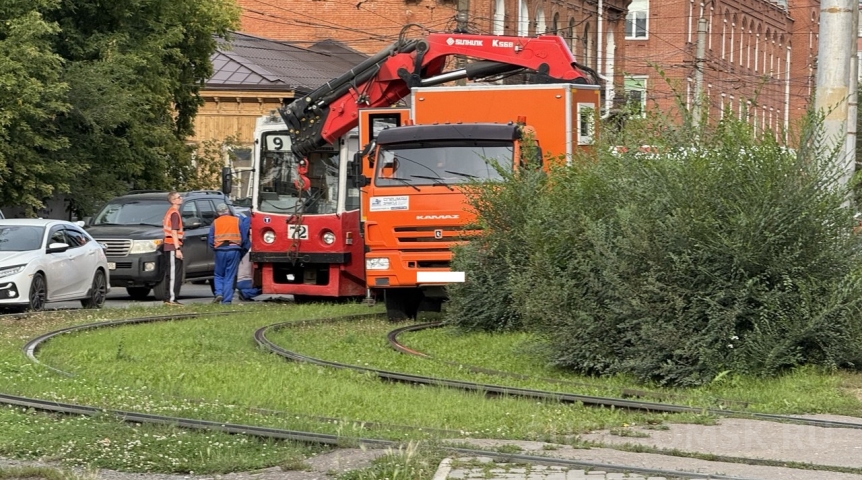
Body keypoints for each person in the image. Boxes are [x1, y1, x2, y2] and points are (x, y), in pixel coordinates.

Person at [208, 203, 249, 304]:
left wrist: (216, 249)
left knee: (218, 274)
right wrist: (241, 252)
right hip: (234, 250)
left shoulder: (215, 223)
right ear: (228, 210)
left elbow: (210, 240)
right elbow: (244, 239)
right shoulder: (237, 221)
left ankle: (218, 293)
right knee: (229, 276)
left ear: (218, 213)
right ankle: (226, 301)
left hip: (220, 250)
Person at [161, 191, 184, 305]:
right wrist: (177, 249)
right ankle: (171, 298)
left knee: (171, 273)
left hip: (169, 245)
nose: (181, 198)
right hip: (172, 246)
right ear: (173, 200)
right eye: (179, 197)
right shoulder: (174, 213)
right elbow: (174, 232)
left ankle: (169, 298)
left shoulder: (171, 212)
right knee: (174, 274)